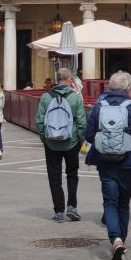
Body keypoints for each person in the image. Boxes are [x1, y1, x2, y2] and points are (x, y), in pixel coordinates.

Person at [83, 70, 131, 260]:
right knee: (123, 203)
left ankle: (115, 239)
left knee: (110, 202)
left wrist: (104, 139)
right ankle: (122, 239)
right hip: (128, 163)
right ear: (128, 88)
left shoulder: (99, 106)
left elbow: (88, 135)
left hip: (105, 162)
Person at [35, 66, 86, 222]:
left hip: (51, 143)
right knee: (72, 174)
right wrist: (77, 140)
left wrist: (45, 139)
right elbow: (81, 122)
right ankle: (72, 206)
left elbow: (39, 121)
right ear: (70, 80)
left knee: (54, 176)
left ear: (57, 80)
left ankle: (58, 210)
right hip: (71, 143)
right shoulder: (75, 97)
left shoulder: (45, 97)